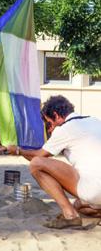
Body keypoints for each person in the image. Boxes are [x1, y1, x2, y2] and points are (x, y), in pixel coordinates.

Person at [8, 95, 101, 229]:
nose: (50, 129)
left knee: (36, 164)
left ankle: (70, 216)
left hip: (95, 189)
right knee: (79, 206)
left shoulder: (65, 128)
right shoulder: (95, 121)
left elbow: (38, 157)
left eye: (49, 124)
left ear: (56, 115)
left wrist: (17, 150)